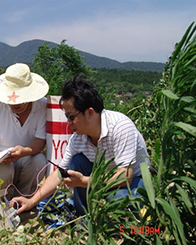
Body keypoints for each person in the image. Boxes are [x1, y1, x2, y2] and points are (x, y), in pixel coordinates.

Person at [13, 74, 150, 216]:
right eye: (67, 117)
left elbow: (125, 176)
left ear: (90, 112)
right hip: (101, 178)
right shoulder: (77, 138)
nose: (68, 123)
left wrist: (84, 181)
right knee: (76, 162)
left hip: (133, 180)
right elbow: (59, 173)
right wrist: (31, 201)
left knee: (121, 200)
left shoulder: (120, 127)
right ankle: (83, 216)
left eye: (71, 117)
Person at [0, 63, 49, 198]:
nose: (15, 104)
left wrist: (24, 151)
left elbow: (40, 140)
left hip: (26, 156)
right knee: (1, 171)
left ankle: (24, 198)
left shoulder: (42, 106)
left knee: (39, 161)